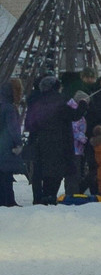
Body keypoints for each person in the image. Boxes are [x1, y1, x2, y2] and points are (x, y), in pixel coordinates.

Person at [24, 74, 87, 205]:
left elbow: (30, 124)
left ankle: (40, 198)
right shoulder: (59, 101)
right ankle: (50, 196)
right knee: (55, 173)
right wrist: (83, 104)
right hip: (59, 143)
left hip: (40, 143)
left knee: (42, 171)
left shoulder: (37, 102)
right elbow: (74, 115)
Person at [0, 78, 25, 207]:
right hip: (6, 146)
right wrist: (18, 143)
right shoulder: (9, 108)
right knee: (6, 175)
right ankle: (8, 201)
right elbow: (13, 128)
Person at [64, 90, 90, 198]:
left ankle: (73, 193)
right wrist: (83, 138)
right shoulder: (73, 111)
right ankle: (72, 194)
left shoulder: (72, 108)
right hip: (74, 148)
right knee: (73, 174)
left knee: (76, 173)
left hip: (77, 148)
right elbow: (73, 129)